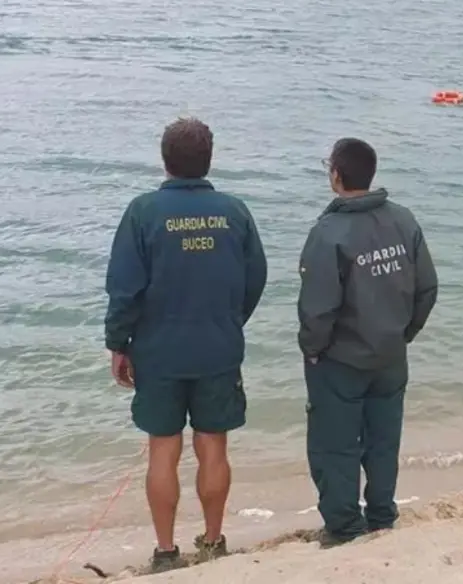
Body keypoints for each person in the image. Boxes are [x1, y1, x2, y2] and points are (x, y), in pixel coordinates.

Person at [104, 117, 268, 571]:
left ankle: (165, 551)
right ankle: (214, 542)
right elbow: (256, 277)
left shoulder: (142, 212)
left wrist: (119, 343)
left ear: (166, 160)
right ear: (208, 160)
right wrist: (230, 321)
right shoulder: (235, 212)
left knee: (164, 448)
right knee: (213, 445)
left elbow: (124, 288)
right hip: (218, 347)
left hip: (158, 351)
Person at [298, 138, 438, 545]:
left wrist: (312, 348)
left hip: (341, 360)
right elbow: (426, 289)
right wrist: (403, 333)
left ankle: (344, 526)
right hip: (390, 355)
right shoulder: (404, 221)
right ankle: (381, 516)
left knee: (335, 445)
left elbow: (318, 309)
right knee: (382, 440)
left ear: (337, 176)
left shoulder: (328, 233)